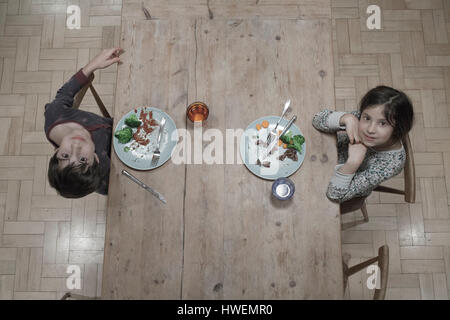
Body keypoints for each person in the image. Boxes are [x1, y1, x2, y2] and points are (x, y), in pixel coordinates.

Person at [312, 85, 414, 203]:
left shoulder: (390, 165)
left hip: (339, 179)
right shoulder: (361, 118)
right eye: (367, 118)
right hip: (326, 152)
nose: (370, 129)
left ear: (398, 128)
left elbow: (334, 195)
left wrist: (353, 163)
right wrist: (346, 118)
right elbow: (317, 120)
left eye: (382, 123)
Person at [45, 47, 124, 198]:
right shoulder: (102, 169)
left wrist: (94, 64)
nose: (76, 147)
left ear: (55, 152)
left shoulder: (55, 115)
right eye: (82, 159)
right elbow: (111, 186)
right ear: (96, 159)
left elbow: (64, 93)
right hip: (123, 148)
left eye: (65, 155)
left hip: (117, 123)